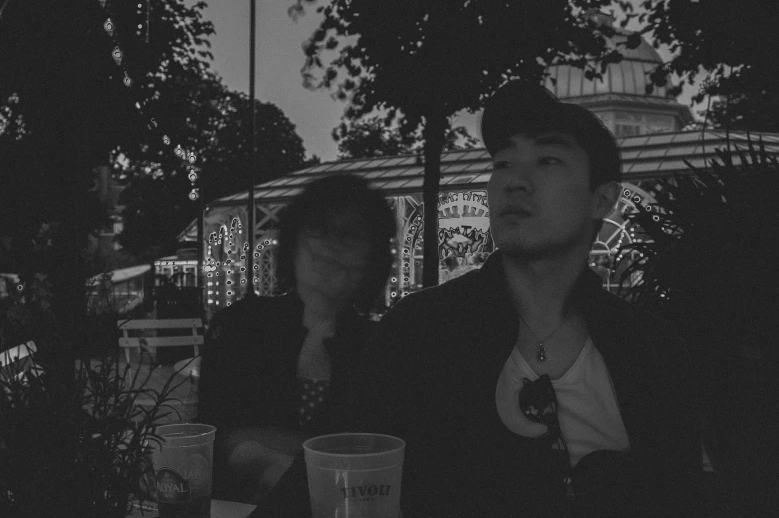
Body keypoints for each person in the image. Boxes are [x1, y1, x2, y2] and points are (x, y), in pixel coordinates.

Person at [259, 81, 705, 517]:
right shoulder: (421, 334)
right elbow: (326, 477)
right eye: (502, 163)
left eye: (547, 160)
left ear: (602, 198)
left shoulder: (650, 350)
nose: (515, 181)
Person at [195, 174, 396, 504]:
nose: (332, 245)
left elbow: (372, 457)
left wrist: (264, 450)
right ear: (294, 240)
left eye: (353, 234)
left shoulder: (379, 347)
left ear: (372, 258)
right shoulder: (240, 325)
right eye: (320, 228)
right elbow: (215, 437)